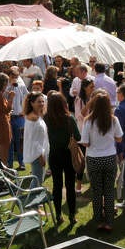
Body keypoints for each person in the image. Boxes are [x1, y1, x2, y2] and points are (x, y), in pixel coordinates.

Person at [79, 91, 123, 232]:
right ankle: (109, 221)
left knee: (97, 191)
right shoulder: (113, 120)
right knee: (109, 191)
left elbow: (84, 142)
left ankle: (98, 219)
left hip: (94, 159)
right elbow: (119, 138)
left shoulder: (88, 121)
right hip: (110, 158)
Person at [45, 91, 81, 224]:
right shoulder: (69, 119)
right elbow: (78, 137)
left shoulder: (46, 118)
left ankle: (58, 215)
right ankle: (72, 215)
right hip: (68, 155)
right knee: (70, 186)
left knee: (57, 185)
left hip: (54, 155)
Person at [23, 92, 49, 186]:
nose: (42, 104)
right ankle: (31, 199)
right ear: (32, 103)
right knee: (37, 182)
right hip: (37, 155)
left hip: (40, 152)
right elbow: (33, 140)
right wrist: (40, 157)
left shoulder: (37, 116)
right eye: (39, 102)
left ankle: (31, 198)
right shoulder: (32, 118)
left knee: (37, 180)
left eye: (43, 101)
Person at [6, 67, 29, 169]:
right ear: (9, 76)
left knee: (20, 141)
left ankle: (21, 163)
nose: (15, 78)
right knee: (10, 141)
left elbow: (27, 96)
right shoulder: (5, 85)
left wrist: (24, 111)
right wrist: (9, 87)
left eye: (16, 76)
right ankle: (10, 164)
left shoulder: (21, 84)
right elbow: (2, 97)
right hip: (8, 117)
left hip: (19, 116)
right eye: (13, 76)